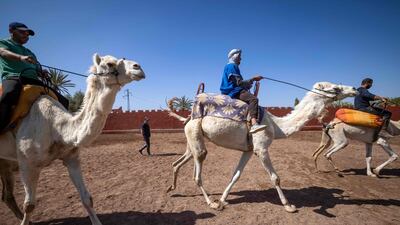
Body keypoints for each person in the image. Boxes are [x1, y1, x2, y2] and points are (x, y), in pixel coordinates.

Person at [0, 22, 69, 132]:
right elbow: (3, 52)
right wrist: (20, 57)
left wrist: (41, 72)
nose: (26, 35)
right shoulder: (3, 43)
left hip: (34, 80)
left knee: (63, 101)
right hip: (14, 77)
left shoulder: (29, 52)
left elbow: (36, 68)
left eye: (28, 34)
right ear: (11, 31)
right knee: (8, 93)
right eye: (22, 32)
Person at [220, 49, 266, 134]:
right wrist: (253, 79)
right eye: (239, 57)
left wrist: (249, 83)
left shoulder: (230, 66)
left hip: (233, 90)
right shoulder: (232, 66)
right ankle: (254, 123)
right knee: (254, 99)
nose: (241, 59)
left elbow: (239, 82)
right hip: (233, 91)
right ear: (235, 56)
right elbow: (239, 83)